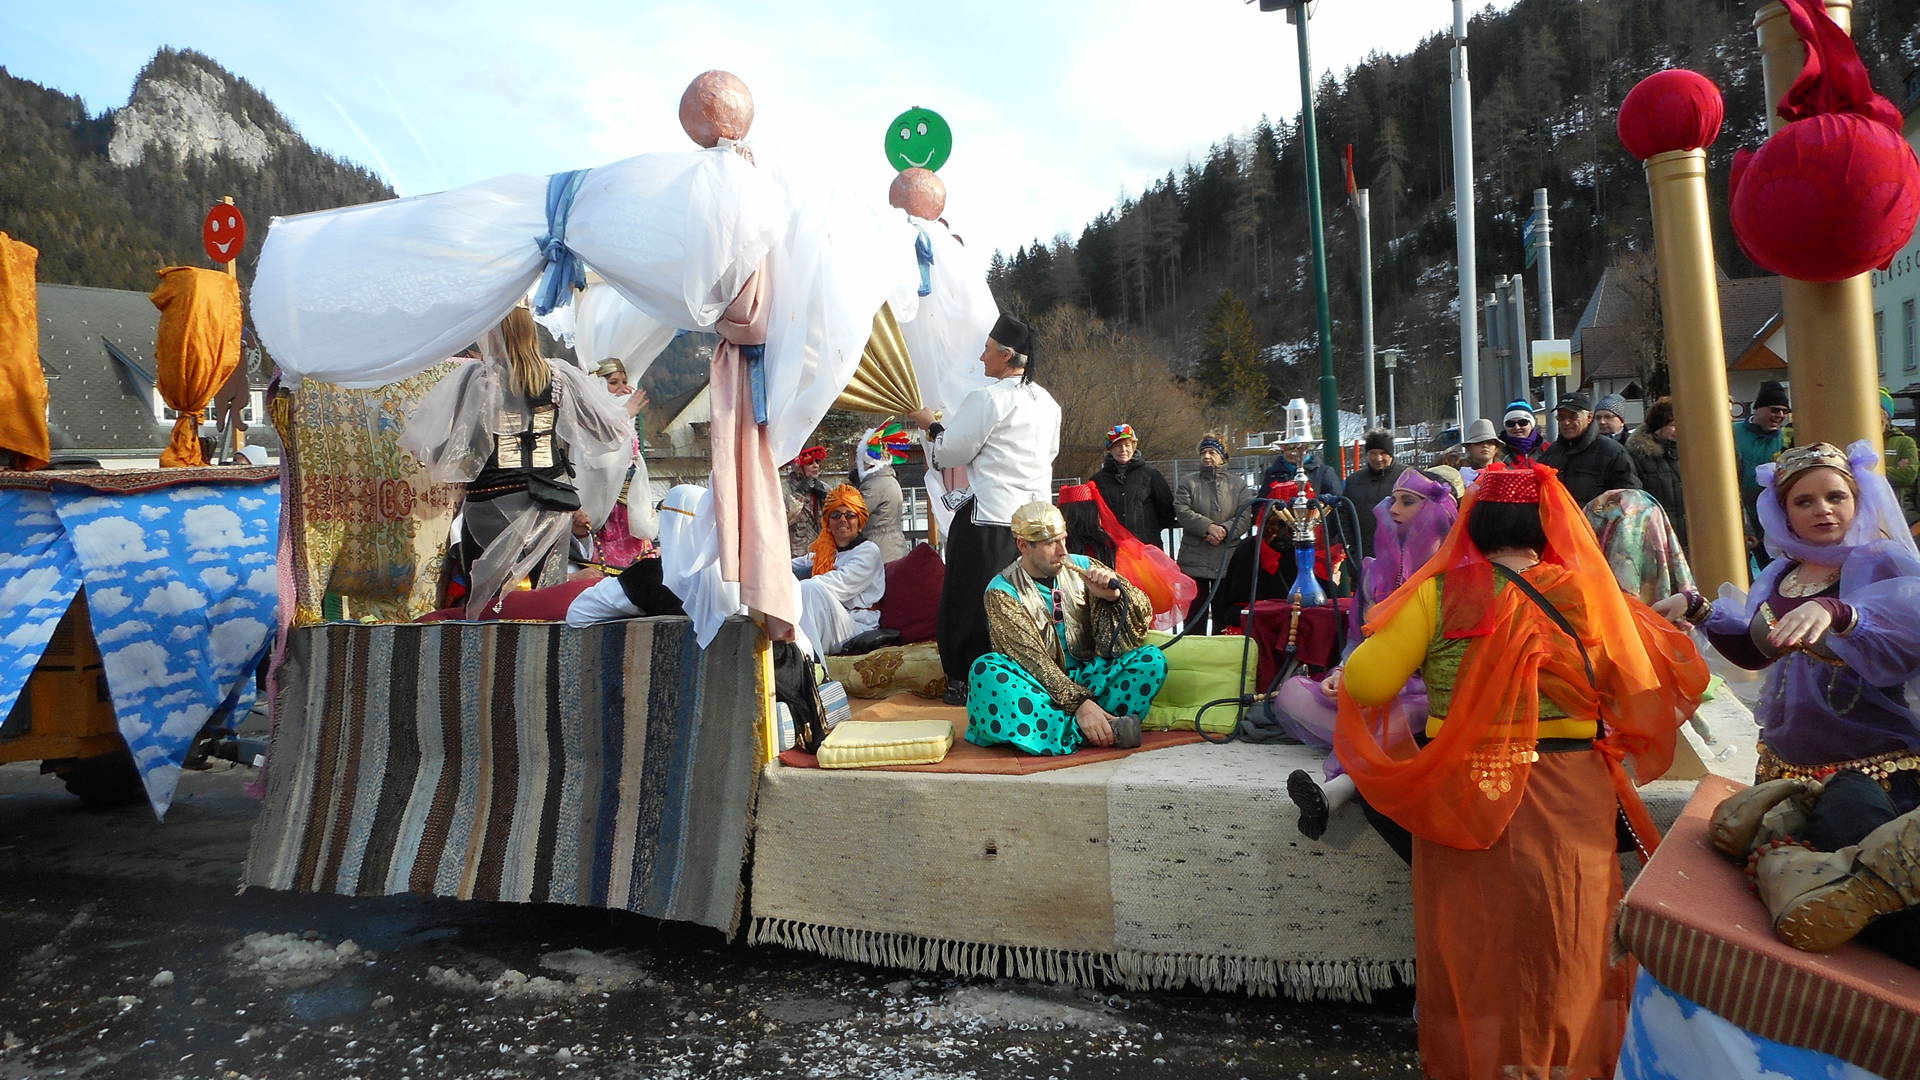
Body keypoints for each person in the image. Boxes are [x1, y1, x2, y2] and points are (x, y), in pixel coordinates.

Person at [1333, 461, 1707, 1080]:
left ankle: (1485, 1065)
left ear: (1472, 524)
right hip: (1572, 793)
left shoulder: (1438, 594)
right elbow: (1644, 683)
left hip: (1472, 788)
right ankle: (1571, 1064)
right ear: (1546, 523)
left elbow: (1368, 681)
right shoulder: (1587, 592)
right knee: (1570, 937)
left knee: (1477, 946)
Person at [1702, 442, 1920, 963]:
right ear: (1783, 513)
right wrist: (1699, 611)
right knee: (1791, 899)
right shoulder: (1779, 574)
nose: (1823, 509)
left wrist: (1844, 616)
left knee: (1875, 903)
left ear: (1858, 500)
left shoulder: (1883, 560)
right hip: (1785, 769)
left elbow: (1906, 637)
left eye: (1835, 496)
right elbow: (1758, 649)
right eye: (1804, 501)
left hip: (1872, 772)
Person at [401, 306, 636, 616]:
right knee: (549, 596)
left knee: (485, 600)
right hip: (550, 500)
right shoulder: (559, 375)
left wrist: (425, 449)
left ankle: (487, 655)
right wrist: (625, 410)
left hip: (492, 500)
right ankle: (549, 655)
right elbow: (605, 429)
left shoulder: (479, 377)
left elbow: (461, 446)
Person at [1283, 467, 1460, 842]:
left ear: (1434, 510)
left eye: (1406, 501)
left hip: (1423, 697)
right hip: (1366, 688)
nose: (1391, 508)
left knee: (1403, 713)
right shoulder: (1372, 572)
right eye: (1392, 499)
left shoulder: (1453, 574)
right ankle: (1369, 747)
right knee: (1292, 693)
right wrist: (1340, 671)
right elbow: (1355, 641)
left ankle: (1338, 789)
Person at [906, 313, 1061, 706]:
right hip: (1038, 521)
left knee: (972, 600)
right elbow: (1051, 454)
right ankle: (1030, 672)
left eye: (988, 350)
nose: (981, 357)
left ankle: (965, 677)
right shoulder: (1048, 402)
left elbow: (950, 453)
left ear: (1008, 356)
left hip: (991, 519)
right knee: (1029, 601)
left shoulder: (988, 399)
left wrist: (932, 426)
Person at [965, 501, 1167, 755]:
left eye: (1063, 540)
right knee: (986, 671)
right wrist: (1080, 705)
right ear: (1024, 545)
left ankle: (1055, 732)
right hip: (1036, 686)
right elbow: (1033, 661)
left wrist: (1112, 597)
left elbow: (1141, 613)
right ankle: (1098, 728)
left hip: (1089, 677)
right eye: (1051, 544)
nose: (1063, 551)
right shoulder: (1001, 591)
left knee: (1151, 660)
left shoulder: (1083, 565)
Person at [791, 484, 885, 660]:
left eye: (850, 515)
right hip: (832, 619)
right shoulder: (825, 553)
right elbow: (789, 566)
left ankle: (816, 668)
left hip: (857, 626)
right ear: (828, 522)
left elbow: (837, 586)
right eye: (835, 515)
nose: (842, 520)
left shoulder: (868, 551)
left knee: (810, 589)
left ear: (859, 523)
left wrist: (794, 586)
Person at [1173, 433, 1251, 632]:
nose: (1207, 456)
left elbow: (1245, 516)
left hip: (1227, 560)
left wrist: (1224, 530)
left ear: (1222, 456)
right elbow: (1182, 510)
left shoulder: (1238, 485)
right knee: (1194, 616)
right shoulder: (1188, 482)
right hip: (1194, 560)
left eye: (1212, 452)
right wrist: (1208, 527)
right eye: (1204, 452)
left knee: (1222, 616)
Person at [1537, 391, 1640, 508]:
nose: (1566, 422)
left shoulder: (1612, 451)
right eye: (1561, 417)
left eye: (1573, 416)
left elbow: (1629, 498)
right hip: (1557, 523)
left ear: (1590, 417)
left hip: (1594, 524)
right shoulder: (1551, 452)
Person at [1090, 424, 1176, 550]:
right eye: (1118, 446)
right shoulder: (1098, 480)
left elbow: (1167, 509)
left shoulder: (1151, 475)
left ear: (1133, 447)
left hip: (1146, 548)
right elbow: (1092, 514)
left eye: (1127, 445)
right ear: (1110, 449)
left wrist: (1148, 529)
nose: (1123, 450)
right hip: (1113, 549)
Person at [1735, 380, 1792, 567]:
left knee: (1773, 572)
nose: (1780, 415)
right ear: (1757, 409)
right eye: (1775, 410)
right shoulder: (1733, 433)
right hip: (1739, 517)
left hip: (1772, 520)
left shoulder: (1786, 439)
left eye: (1785, 411)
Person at [1627, 397, 1687, 551]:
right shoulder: (1638, 457)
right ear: (1657, 428)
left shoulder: (1695, 454)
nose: (1680, 429)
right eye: (1673, 425)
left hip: (1699, 539)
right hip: (1660, 541)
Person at [1340, 429, 1407, 561]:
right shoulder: (1354, 481)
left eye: (1383, 453)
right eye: (1373, 453)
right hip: (1364, 556)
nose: (1378, 458)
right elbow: (1344, 518)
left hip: (1400, 557)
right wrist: (1352, 553)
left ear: (1391, 454)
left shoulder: (1407, 477)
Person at [854, 423, 912, 563]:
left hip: (880, 550)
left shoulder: (873, 486)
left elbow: (855, 514)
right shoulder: (890, 480)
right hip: (894, 546)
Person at [1881, 387, 1919, 526]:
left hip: (1898, 514)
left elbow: (1908, 475)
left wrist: (1869, 472)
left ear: (1887, 416)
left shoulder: (1904, 442)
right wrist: (1893, 470)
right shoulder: (1859, 443)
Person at [785, 445, 830, 559]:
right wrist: (799, 494)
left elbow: (837, 517)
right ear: (798, 466)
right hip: (795, 556)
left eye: (818, 461)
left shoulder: (825, 488)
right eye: (810, 463)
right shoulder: (785, 489)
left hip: (822, 553)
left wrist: (827, 498)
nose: (816, 466)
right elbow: (781, 520)